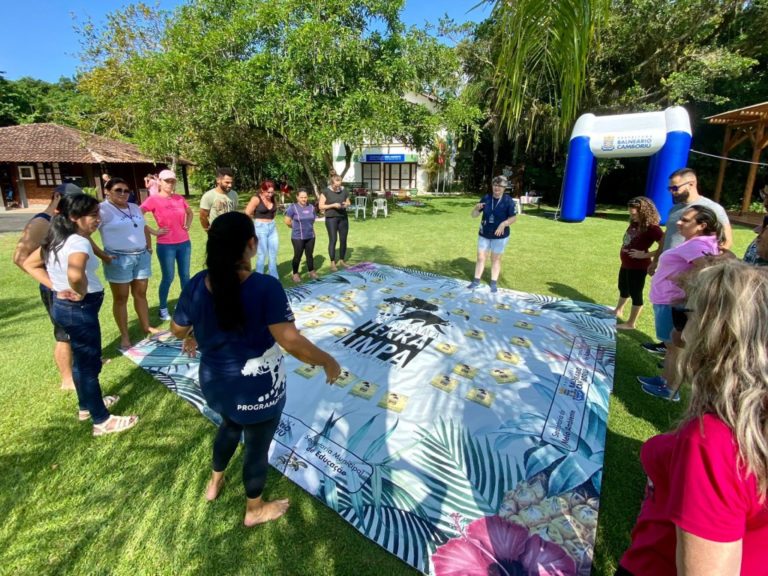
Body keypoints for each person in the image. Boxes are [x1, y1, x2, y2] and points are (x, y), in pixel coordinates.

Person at [170, 211, 340, 526]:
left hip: (215, 384)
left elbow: (177, 330)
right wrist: (328, 361)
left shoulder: (197, 283)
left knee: (230, 426)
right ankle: (254, 509)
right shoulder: (264, 287)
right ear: (251, 243)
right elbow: (290, 342)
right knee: (257, 447)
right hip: (256, 389)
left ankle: (214, 482)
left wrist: (193, 333)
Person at [617, 260, 768, 576]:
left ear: (720, 335)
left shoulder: (713, 441)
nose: (676, 332)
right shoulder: (749, 423)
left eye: (683, 317)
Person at [22, 194, 138, 436]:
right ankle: (102, 421)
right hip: (80, 309)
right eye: (93, 215)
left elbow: (29, 263)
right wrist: (80, 290)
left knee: (81, 361)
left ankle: (86, 406)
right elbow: (75, 274)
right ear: (74, 217)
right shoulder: (79, 242)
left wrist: (55, 286)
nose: (98, 219)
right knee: (89, 365)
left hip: (64, 308)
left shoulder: (56, 238)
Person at [642, 167, 732, 356]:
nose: (671, 192)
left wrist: (688, 278)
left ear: (691, 184)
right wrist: (656, 259)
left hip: (681, 284)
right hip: (669, 269)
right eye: (670, 189)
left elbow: (724, 243)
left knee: (679, 329)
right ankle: (666, 347)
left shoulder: (712, 209)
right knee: (669, 327)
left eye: (674, 188)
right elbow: (668, 236)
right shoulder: (676, 209)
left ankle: (672, 359)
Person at [637, 205, 722, 401]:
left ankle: (671, 390)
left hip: (671, 301)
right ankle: (664, 380)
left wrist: (683, 290)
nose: (679, 223)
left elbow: (706, 272)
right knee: (670, 345)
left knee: (675, 347)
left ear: (702, 225)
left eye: (685, 220)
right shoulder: (700, 242)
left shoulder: (697, 245)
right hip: (668, 299)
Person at [13, 183, 83, 390]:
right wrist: (52, 284)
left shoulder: (62, 220)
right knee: (64, 335)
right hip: (56, 288)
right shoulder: (41, 223)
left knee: (76, 329)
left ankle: (80, 364)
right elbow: (20, 259)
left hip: (69, 284)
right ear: (56, 197)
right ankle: (67, 379)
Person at [98, 177, 160, 350]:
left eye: (126, 191)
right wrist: (102, 255)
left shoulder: (134, 207)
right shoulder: (102, 210)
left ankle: (146, 326)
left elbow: (143, 227)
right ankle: (125, 336)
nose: (123, 194)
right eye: (118, 190)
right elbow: (84, 232)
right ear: (107, 191)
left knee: (141, 293)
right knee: (121, 298)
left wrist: (148, 248)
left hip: (141, 256)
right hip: (118, 258)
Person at [140, 169, 194, 321]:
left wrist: (187, 225)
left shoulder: (179, 198)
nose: (170, 184)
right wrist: (153, 231)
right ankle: (163, 308)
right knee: (168, 277)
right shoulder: (153, 199)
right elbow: (137, 215)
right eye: (167, 181)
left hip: (184, 243)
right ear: (160, 182)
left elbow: (190, 213)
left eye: (172, 181)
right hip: (166, 245)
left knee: (185, 276)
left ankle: (185, 305)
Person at [614, 197, 663, 330]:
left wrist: (645, 255)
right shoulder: (635, 223)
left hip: (638, 267)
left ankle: (631, 323)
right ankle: (618, 310)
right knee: (623, 287)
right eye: (630, 213)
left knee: (635, 293)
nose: (632, 215)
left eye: (634, 213)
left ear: (644, 212)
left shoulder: (653, 228)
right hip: (626, 264)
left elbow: (664, 245)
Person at [467, 175, 518, 293]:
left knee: (495, 259)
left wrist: (504, 224)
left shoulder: (508, 201)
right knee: (480, 257)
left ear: (504, 188)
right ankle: (476, 280)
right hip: (484, 233)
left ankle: (493, 283)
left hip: (500, 235)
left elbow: (513, 218)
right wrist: (475, 209)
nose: (497, 188)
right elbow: (474, 216)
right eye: (495, 185)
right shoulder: (486, 198)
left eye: (500, 186)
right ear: (492, 186)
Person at [245, 180, 279, 278]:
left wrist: (271, 221)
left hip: (272, 227)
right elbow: (247, 213)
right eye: (268, 192)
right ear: (262, 190)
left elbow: (273, 212)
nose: (270, 194)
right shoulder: (256, 199)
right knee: (262, 255)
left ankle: (274, 278)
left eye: (272, 192)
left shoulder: (273, 198)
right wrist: (254, 226)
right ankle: (259, 278)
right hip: (260, 228)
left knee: (273, 254)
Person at [284, 188, 318, 283]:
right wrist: (296, 228)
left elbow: (313, 219)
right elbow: (287, 221)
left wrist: (309, 228)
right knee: (297, 256)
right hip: (297, 237)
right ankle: (295, 274)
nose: (304, 199)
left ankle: (311, 271)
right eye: (301, 197)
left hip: (311, 236)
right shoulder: (293, 207)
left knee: (309, 255)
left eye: (305, 197)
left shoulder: (311, 207)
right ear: (297, 197)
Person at [318, 175, 350, 271]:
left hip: (343, 218)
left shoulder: (344, 190)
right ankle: (333, 262)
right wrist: (333, 205)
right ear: (332, 183)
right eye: (336, 185)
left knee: (343, 240)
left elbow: (348, 202)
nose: (338, 187)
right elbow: (320, 206)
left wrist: (346, 204)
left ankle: (342, 260)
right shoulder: (326, 191)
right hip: (331, 218)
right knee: (333, 240)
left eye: (339, 185)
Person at [199, 167, 237, 232]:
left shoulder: (234, 194)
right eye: (227, 182)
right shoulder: (208, 196)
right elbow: (203, 217)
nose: (230, 185)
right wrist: (209, 231)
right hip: (217, 233)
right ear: (218, 180)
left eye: (231, 182)